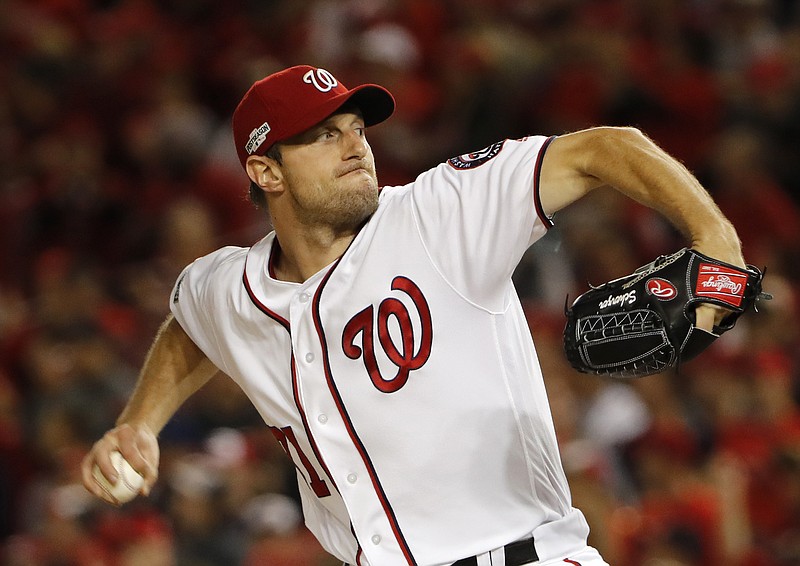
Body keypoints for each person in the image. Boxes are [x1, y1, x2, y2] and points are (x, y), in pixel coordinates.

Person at [81, 65, 745, 566]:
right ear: (266, 170)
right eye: (323, 136)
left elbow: (608, 148)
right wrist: (140, 422)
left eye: (356, 129)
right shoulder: (229, 286)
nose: (354, 146)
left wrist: (717, 244)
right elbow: (191, 327)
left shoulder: (440, 211)